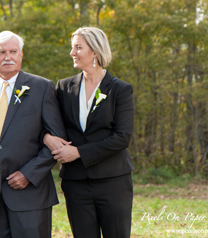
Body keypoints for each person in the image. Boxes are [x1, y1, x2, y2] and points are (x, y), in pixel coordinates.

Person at [0, 31, 66, 238]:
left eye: (12, 51)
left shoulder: (42, 87)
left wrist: (29, 173)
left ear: (21, 55)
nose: (7, 57)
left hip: (31, 196)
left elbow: (57, 140)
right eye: (1, 52)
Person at [43, 27, 135, 238]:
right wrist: (46, 137)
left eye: (78, 47)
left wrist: (79, 153)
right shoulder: (64, 87)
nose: (72, 53)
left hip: (113, 182)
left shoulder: (120, 90)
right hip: (75, 183)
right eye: (72, 47)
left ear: (94, 51)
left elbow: (122, 137)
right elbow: (48, 123)